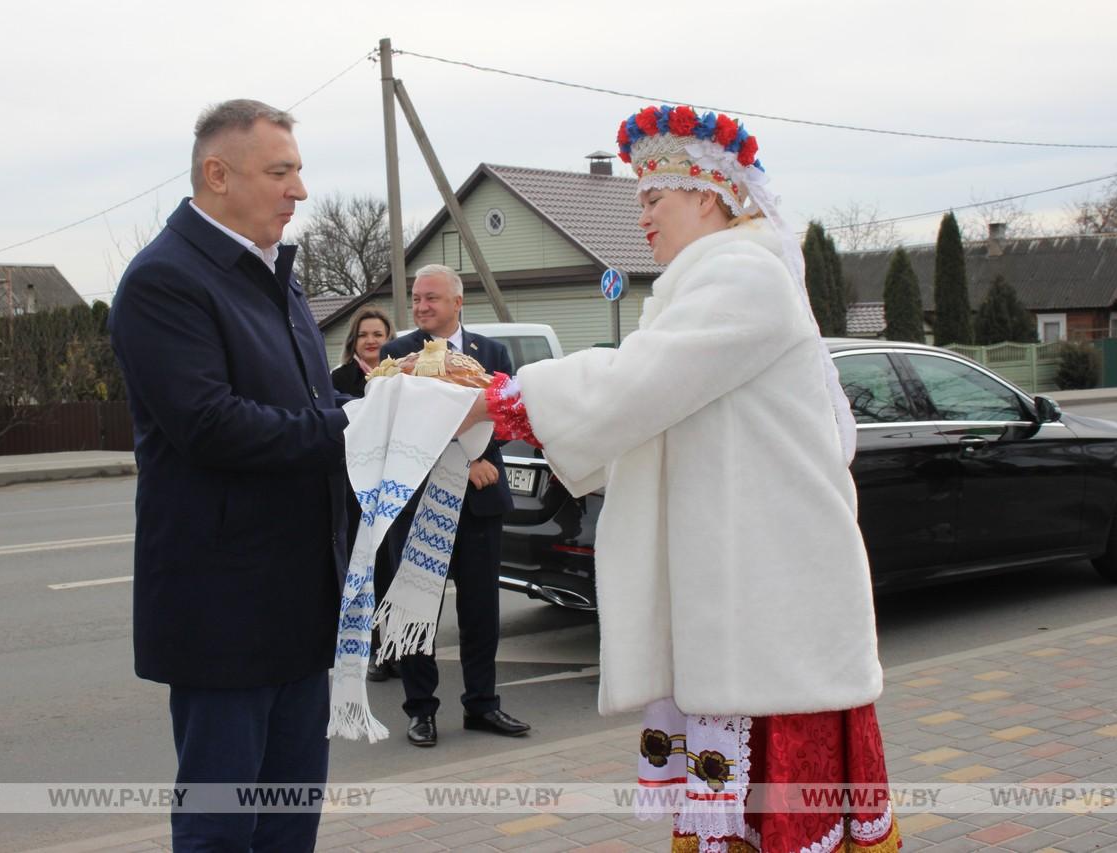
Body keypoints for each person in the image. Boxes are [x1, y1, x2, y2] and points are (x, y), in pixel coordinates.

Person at [463, 106, 899, 851]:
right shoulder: (715, 280)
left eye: (651, 198)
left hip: (769, 610)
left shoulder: (744, 274)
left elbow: (640, 382)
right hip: (748, 603)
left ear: (706, 195)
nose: (641, 217)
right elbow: (648, 409)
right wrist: (520, 404)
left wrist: (510, 397)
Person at [109, 99, 347, 853]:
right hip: (227, 611)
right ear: (218, 174)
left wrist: (398, 407)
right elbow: (211, 425)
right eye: (281, 171)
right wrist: (358, 426)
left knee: (288, 822)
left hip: (303, 601)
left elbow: (310, 407)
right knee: (220, 826)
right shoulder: (163, 282)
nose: (299, 191)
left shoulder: (279, 275)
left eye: (298, 171)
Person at [378, 264, 531, 747]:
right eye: (417, 298)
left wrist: (485, 455)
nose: (422, 306)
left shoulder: (491, 352)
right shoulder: (397, 355)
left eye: (432, 298)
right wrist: (466, 461)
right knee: (417, 607)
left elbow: (507, 413)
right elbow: (402, 426)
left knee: (481, 611)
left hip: (482, 504)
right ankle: (420, 710)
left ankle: (482, 705)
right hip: (422, 502)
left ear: (458, 302)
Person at [329, 307, 398, 680]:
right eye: (364, 334)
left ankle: (397, 649)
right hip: (354, 489)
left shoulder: (402, 377)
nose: (372, 341)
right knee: (364, 570)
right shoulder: (339, 378)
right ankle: (372, 651)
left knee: (392, 570)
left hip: (393, 487)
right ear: (354, 340)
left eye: (379, 334)